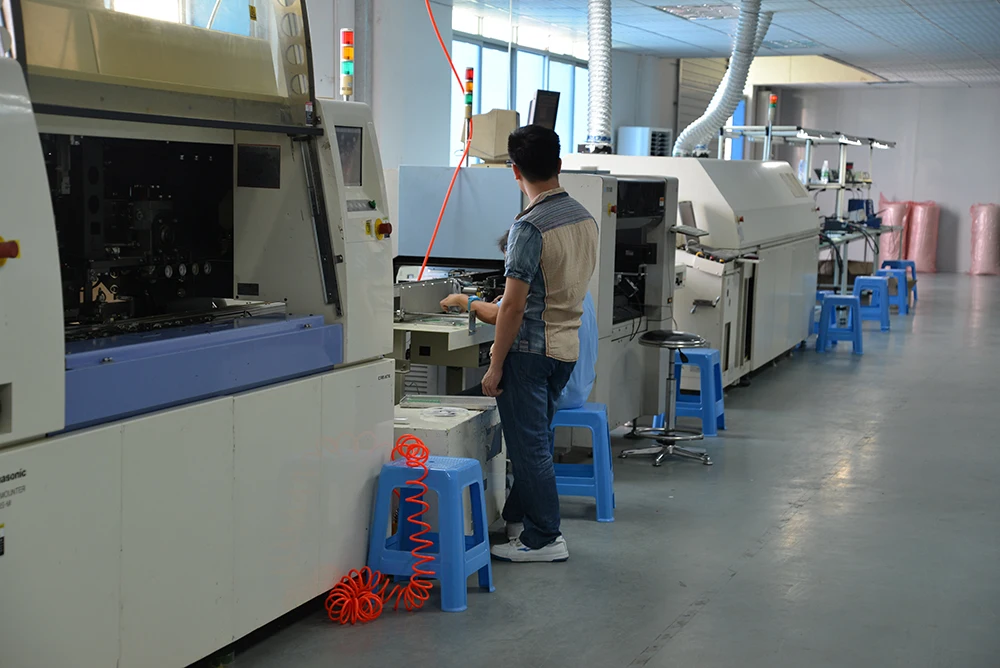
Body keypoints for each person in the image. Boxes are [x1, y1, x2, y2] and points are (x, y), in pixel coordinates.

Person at [469, 125, 597, 562]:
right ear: (559, 164)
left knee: (530, 449)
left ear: (514, 170)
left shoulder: (529, 228)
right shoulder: (583, 217)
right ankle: (517, 521)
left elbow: (512, 307)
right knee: (535, 441)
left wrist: (495, 364)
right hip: (565, 349)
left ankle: (545, 537)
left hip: (530, 353)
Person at [440, 236, 597, 413]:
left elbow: (496, 314)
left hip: (556, 392)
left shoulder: (537, 285)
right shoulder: (573, 286)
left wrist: (462, 300)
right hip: (579, 389)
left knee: (453, 404)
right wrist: (508, 300)